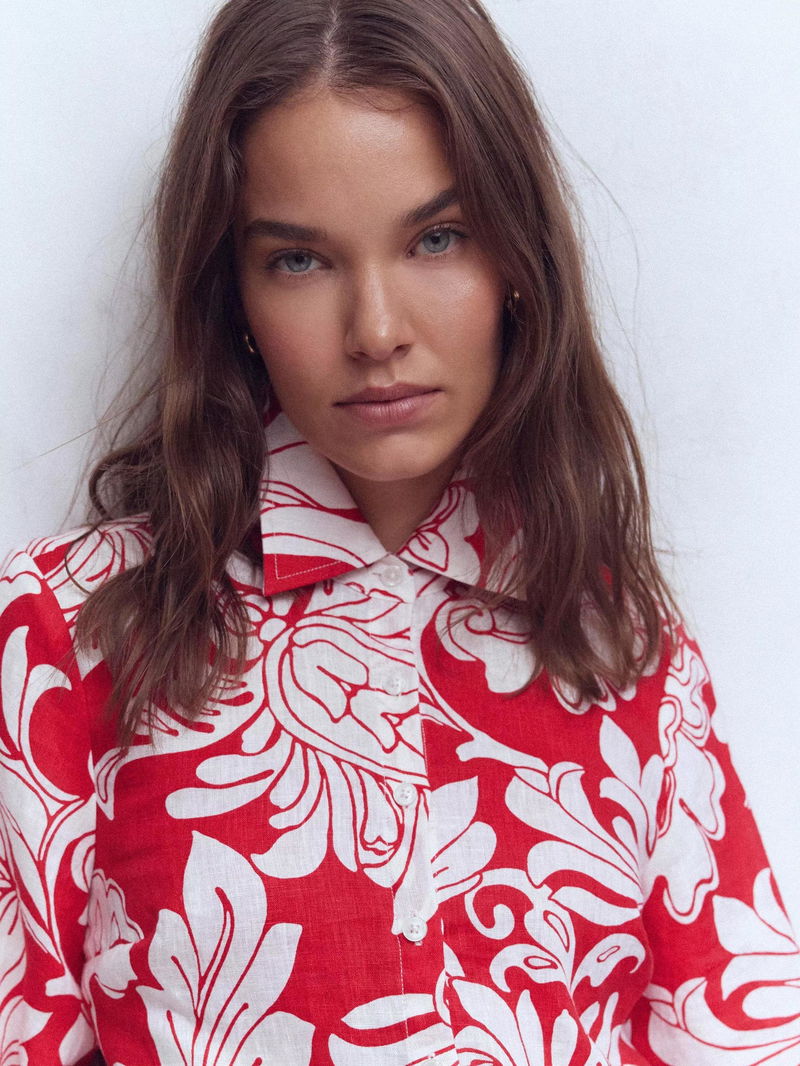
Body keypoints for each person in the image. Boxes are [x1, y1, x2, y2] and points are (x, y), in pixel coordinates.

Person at [1, 0, 798, 1063]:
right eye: (300, 260)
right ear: (231, 293)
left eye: (436, 238)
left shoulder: (621, 646)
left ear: (516, 260)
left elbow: (737, 1035)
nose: (376, 331)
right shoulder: (71, 634)